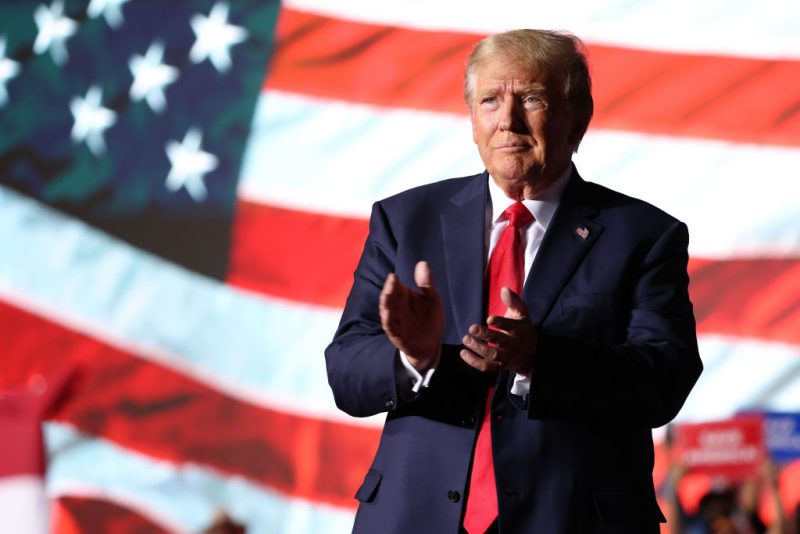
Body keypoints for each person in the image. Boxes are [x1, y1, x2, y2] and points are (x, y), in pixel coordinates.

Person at [325, 28, 703, 533]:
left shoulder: (644, 236)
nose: (508, 120)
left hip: (573, 519)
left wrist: (539, 359)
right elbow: (346, 370)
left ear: (578, 120)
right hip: (416, 517)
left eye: (531, 98)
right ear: (473, 120)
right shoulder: (405, 220)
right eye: (490, 100)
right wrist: (413, 360)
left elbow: (663, 382)